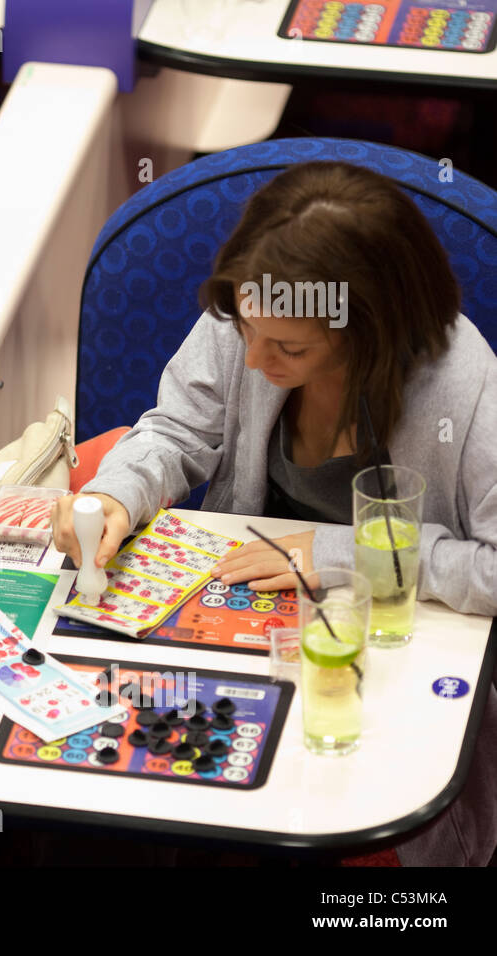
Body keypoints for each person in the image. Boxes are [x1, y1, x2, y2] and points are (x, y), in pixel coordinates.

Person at [52, 161, 497, 866]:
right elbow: (177, 430)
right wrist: (115, 493)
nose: (252, 358)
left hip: (383, 664)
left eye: (289, 348)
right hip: (248, 639)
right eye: (244, 327)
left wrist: (340, 554)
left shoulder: (467, 389)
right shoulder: (258, 308)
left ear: (369, 332)